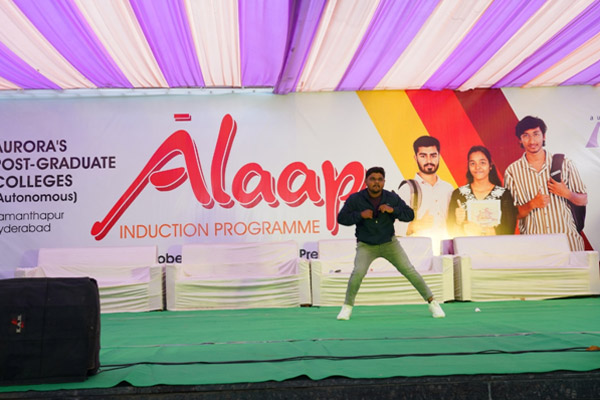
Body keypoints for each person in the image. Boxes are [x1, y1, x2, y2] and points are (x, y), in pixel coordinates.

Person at [336, 166, 445, 320]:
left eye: (380, 179)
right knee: (357, 273)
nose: (376, 182)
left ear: (384, 182)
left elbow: (409, 215)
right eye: (372, 179)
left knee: (410, 271)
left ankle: (433, 303)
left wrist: (392, 210)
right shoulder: (356, 199)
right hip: (366, 245)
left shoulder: (391, 198)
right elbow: (341, 218)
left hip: (389, 243)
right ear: (366, 181)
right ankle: (347, 307)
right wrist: (360, 215)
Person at [504, 116, 587, 251]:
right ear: (520, 139)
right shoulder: (512, 172)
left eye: (536, 134)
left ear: (544, 136)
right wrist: (532, 204)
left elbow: (583, 200)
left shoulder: (565, 164)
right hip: (534, 247)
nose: (532, 141)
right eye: (526, 136)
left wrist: (567, 194)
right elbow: (511, 214)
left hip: (568, 243)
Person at [396, 136, 454, 251]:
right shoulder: (408, 189)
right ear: (415, 158)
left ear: (439, 157)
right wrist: (415, 226)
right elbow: (395, 227)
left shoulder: (448, 188)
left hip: (445, 252)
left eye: (433, 155)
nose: (429, 161)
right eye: (423, 156)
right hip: (418, 253)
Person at [447, 146, 516, 237]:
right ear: (468, 167)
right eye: (473, 163)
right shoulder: (458, 194)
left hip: (496, 245)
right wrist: (457, 222)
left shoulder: (504, 194)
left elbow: (509, 229)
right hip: (467, 246)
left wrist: (482, 231)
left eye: (482, 162)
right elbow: (450, 231)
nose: (477, 167)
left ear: (490, 166)